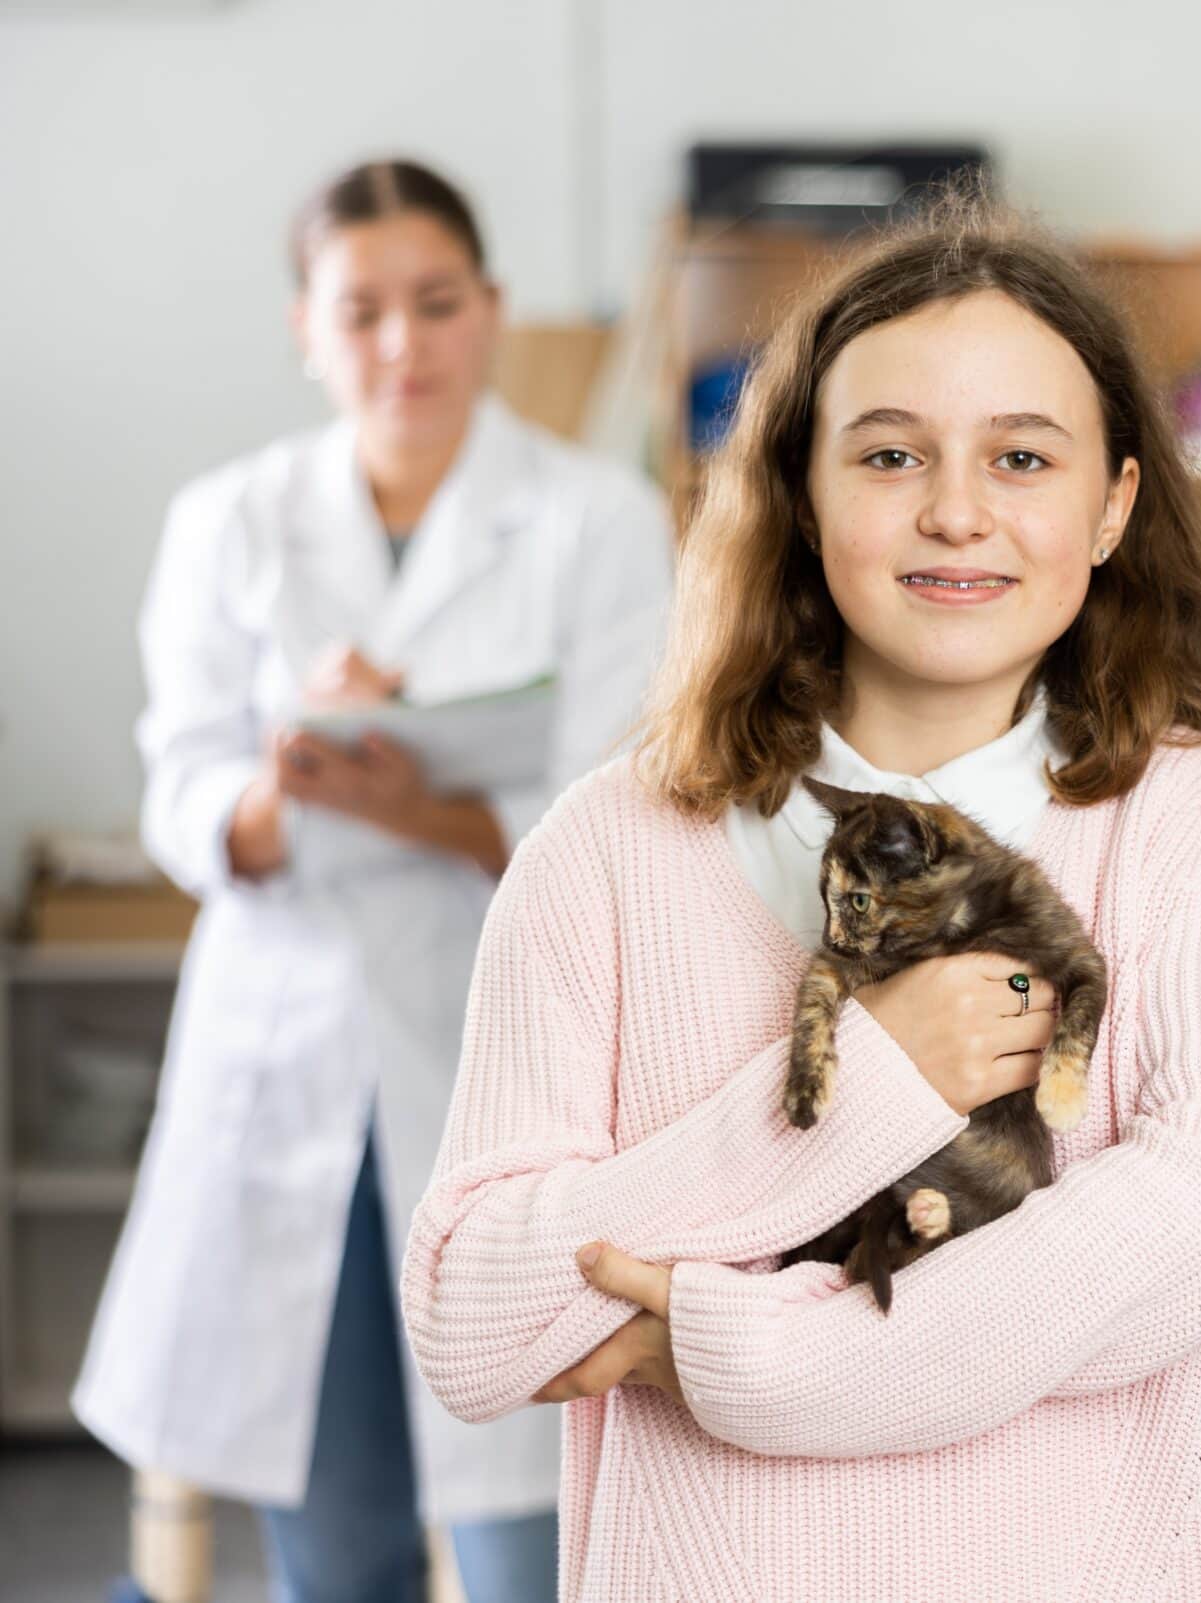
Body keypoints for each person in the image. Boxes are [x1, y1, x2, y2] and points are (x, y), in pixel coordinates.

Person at [399, 196, 1201, 1600]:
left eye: (1023, 456)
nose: (957, 510)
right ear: (800, 487)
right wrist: (860, 1080)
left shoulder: (1174, 816)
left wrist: (750, 1353)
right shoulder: (606, 850)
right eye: (890, 454)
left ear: (1115, 503)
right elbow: (475, 1322)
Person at [75, 158, 673, 1603]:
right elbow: (184, 796)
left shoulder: (602, 521)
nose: (403, 343)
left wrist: (433, 807)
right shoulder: (231, 519)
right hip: (289, 1070)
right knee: (336, 1548)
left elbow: (626, 816)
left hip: (506, 1058)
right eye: (363, 311)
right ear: (306, 328)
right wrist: (295, 779)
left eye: (437, 303)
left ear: (492, 311)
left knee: (535, 1538)